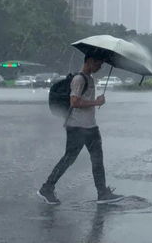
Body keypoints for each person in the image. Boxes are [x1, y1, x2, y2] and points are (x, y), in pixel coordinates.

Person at [37, 52, 123, 205]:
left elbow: (83, 101)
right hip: (77, 127)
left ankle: (102, 193)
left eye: (102, 64)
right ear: (89, 61)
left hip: (90, 126)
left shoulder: (89, 78)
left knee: (97, 159)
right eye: (98, 63)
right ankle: (47, 188)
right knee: (68, 159)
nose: (100, 67)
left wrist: (96, 102)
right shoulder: (79, 79)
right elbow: (74, 102)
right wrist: (95, 103)